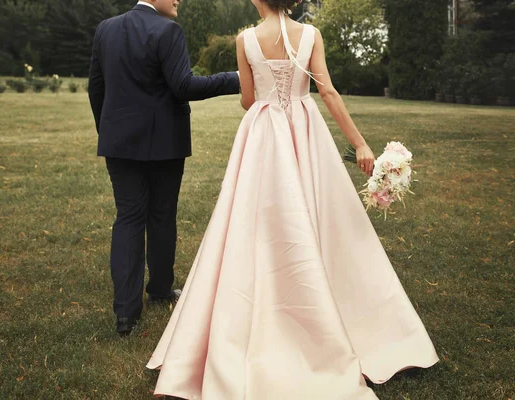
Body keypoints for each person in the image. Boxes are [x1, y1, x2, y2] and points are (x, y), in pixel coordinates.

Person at [146, 0, 439, 398]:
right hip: (305, 131)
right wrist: (361, 144)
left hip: (262, 135)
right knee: (322, 216)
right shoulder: (311, 35)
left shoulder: (245, 39)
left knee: (254, 219)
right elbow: (328, 91)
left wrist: (266, 94)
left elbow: (248, 100)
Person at [88, 0, 240, 336]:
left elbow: (95, 88)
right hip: (164, 144)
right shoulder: (168, 30)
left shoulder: (106, 29)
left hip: (119, 144)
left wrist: (110, 131)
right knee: (160, 215)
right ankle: (159, 290)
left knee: (127, 218)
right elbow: (183, 85)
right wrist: (236, 78)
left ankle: (125, 315)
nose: (178, 0)